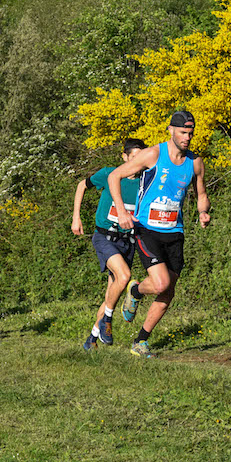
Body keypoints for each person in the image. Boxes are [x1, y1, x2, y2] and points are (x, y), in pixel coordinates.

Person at [107, 111, 211, 358]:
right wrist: (121, 211)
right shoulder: (153, 154)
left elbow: (202, 194)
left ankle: (140, 341)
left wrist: (203, 212)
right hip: (147, 230)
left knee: (168, 290)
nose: (187, 138)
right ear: (171, 130)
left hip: (175, 231)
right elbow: (114, 176)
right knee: (161, 282)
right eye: (183, 132)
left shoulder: (195, 162)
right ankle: (136, 291)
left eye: (190, 133)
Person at [72, 138, 146, 351]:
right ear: (124, 157)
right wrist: (76, 217)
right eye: (133, 157)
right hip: (105, 237)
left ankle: (92, 340)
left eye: (141, 158)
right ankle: (107, 320)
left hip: (128, 241)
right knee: (124, 276)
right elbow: (81, 185)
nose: (137, 163)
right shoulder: (109, 174)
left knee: (112, 293)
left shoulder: (145, 181)